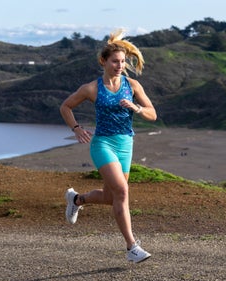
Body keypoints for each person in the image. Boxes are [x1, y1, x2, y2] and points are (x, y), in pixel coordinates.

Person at [59, 29, 157, 263]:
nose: (120, 65)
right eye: (115, 61)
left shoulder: (132, 85)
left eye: (123, 61)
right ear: (103, 61)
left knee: (111, 197)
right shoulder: (91, 88)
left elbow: (153, 114)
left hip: (126, 144)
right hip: (102, 143)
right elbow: (66, 107)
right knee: (122, 192)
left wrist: (136, 108)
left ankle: (76, 200)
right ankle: (132, 247)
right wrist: (76, 128)